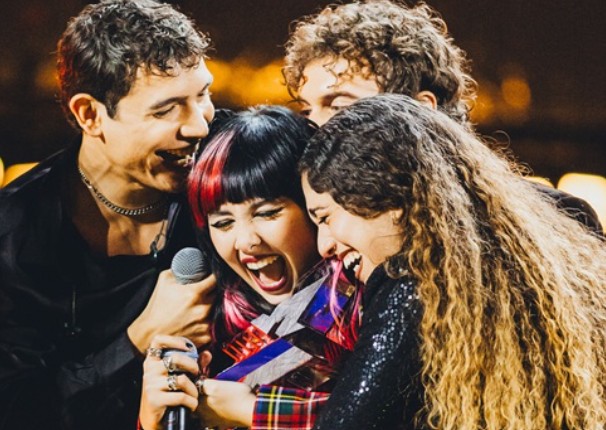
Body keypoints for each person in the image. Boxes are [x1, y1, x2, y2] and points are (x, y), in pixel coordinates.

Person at [299, 93, 606, 429]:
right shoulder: (532, 270)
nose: (324, 245)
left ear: (388, 199)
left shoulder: (407, 288)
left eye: (325, 217)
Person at [0, 1, 216, 429]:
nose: (199, 126)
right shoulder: (14, 234)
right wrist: (141, 336)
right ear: (90, 114)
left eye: (203, 95)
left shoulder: (230, 170)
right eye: (166, 109)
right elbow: (16, 409)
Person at [284, 0, 602, 233]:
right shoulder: (321, 230)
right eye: (308, 111)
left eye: (339, 107)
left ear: (421, 110)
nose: (315, 130)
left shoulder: (553, 218)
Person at [138, 106, 359, 430]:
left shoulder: (362, 304)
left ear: (314, 208)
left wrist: (250, 410)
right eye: (223, 223)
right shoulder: (209, 328)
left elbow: (386, 417)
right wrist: (151, 419)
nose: (245, 241)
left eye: (267, 213)